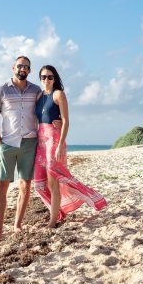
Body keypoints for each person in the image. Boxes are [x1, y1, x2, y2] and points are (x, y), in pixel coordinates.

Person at [34, 65, 107, 228]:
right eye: (44, 77)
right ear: (40, 78)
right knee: (39, 185)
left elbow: (66, 121)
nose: (47, 80)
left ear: (55, 79)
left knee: (54, 182)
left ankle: (53, 220)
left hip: (54, 140)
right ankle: (60, 212)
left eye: (50, 77)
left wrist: (60, 145)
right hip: (40, 142)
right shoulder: (39, 96)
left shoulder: (58, 94)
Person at [0, 56, 42, 240]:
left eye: (26, 67)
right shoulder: (1, 90)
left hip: (30, 142)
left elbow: (47, 108)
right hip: (8, 144)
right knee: (1, 185)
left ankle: (17, 225)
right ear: (13, 67)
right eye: (20, 66)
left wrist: (58, 120)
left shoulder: (36, 90)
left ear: (29, 70)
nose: (22, 69)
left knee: (26, 185)